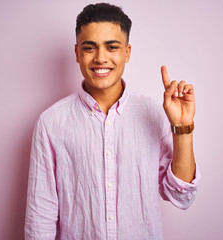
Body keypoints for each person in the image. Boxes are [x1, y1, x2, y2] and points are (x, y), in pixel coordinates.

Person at [25, 3, 200, 240]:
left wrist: (183, 129)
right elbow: (40, 218)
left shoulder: (154, 114)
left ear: (127, 52)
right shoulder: (51, 123)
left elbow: (182, 197)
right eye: (90, 48)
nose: (100, 58)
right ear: (77, 53)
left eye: (111, 47)